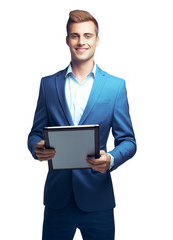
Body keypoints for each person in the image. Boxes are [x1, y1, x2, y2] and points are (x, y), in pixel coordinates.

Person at [28, 10, 136, 240]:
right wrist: (36, 147)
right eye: (75, 36)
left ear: (97, 40)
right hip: (58, 200)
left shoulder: (115, 87)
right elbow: (35, 132)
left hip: (98, 199)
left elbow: (128, 140)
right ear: (67, 39)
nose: (81, 41)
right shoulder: (48, 85)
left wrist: (111, 159)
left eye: (88, 35)